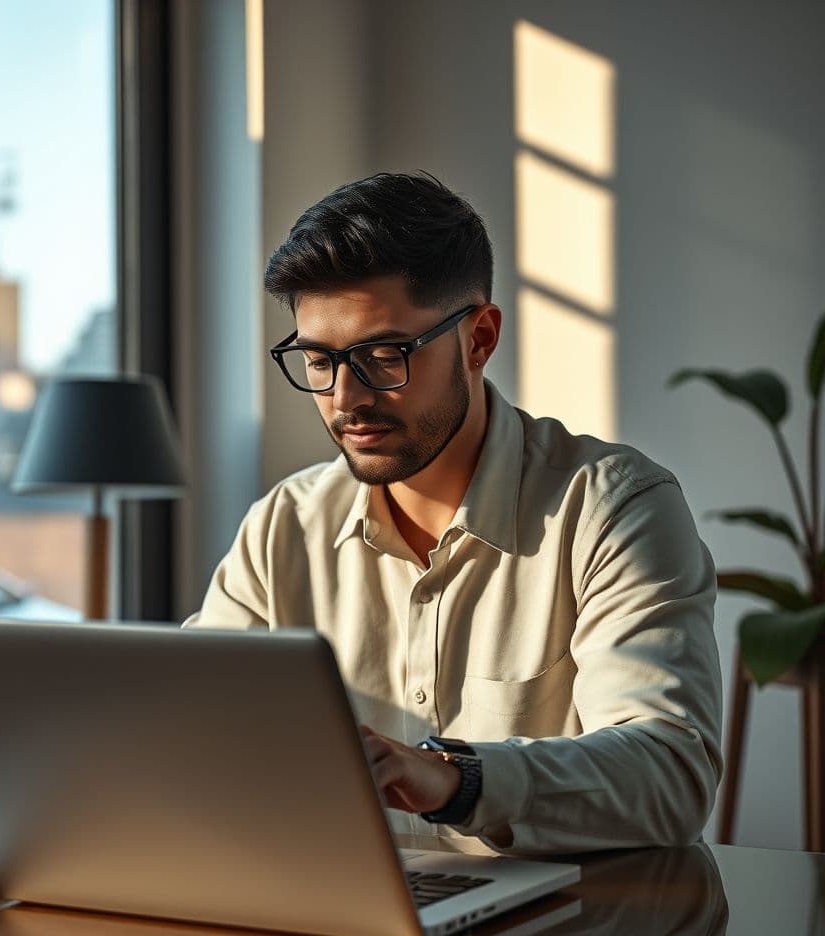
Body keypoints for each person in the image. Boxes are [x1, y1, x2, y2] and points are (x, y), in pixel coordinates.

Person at [186, 171, 722, 854]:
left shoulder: (611, 508)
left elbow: (670, 774)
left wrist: (455, 779)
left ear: (479, 339)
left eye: (383, 356)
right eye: (319, 360)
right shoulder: (283, 526)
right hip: (343, 930)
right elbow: (196, 735)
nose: (346, 399)